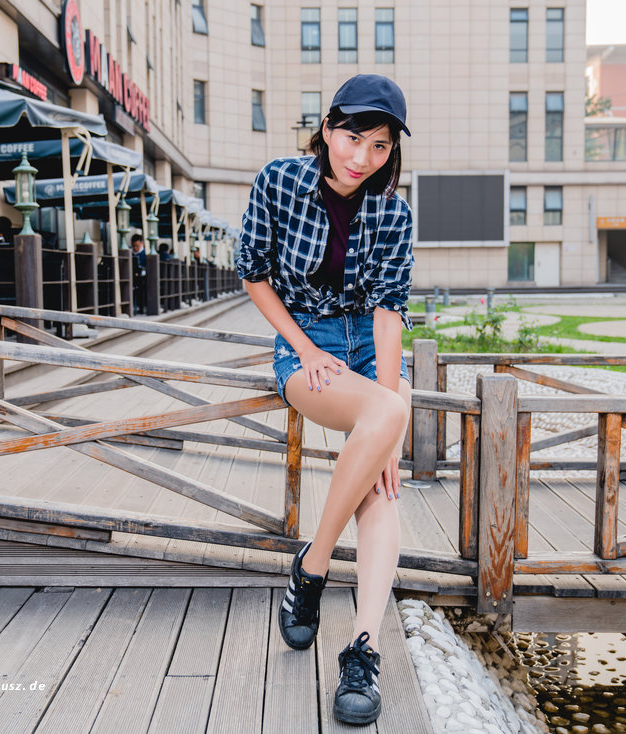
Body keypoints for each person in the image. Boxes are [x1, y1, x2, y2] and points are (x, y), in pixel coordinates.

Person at [236, 73, 413, 726]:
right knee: (389, 422)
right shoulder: (280, 181)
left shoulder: (393, 214)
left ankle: (359, 644)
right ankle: (312, 569)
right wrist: (306, 349)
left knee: (383, 485)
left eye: (380, 145)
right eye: (353, 138)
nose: (362, 157)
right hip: (306, 342)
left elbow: (389, 314)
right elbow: (253, 273)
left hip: (369, 345)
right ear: (328, 129)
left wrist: (386, 415)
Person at [131, 233, 147, 314]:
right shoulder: (130, 253)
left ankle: (141, 307)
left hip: (143, 278)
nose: (135, 248)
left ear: (142, 243)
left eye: (137, 246)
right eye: (133, 246)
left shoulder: (146, 253)